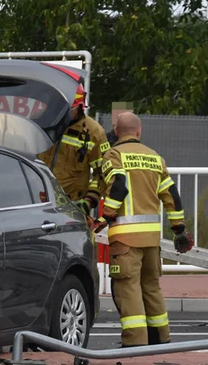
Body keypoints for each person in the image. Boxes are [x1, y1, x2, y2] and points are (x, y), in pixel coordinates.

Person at [99, 112, 191, 347]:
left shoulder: (114, 154)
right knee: (151, 288)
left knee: (127, 289)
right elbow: (172, 196)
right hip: (151, 239)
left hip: (125, 238)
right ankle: (161, 338)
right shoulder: (155, 158)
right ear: (139, 132)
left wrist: (105, 216)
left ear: (117, 132)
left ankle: (135, 342)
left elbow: (119, 187)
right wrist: (178, 229)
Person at [37, 84, 109, 216]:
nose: (62, 113)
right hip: (36, 202)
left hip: (71, 207)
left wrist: (89, 201)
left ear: (80, 107)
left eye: (68, 109)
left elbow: (103, 174)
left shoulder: (94, 133)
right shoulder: (42, 122)